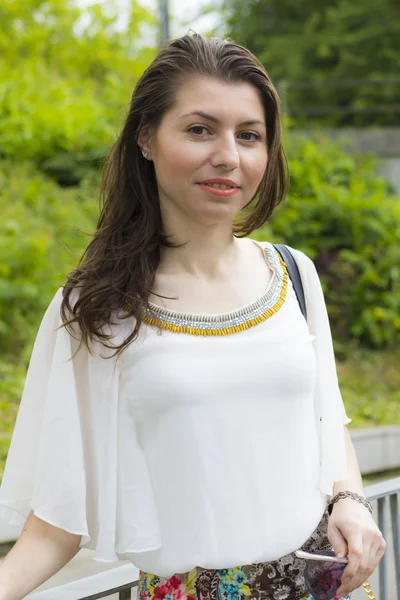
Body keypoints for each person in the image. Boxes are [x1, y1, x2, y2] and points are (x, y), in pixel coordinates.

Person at [0, 33, 385, 600]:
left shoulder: (294, 275)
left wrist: (351, 500)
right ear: (147, 138)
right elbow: (58, 517)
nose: (228, 156)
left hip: (322, 584)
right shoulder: (97, 308)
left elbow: (327, 424)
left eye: (249, 135)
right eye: (200, 129)